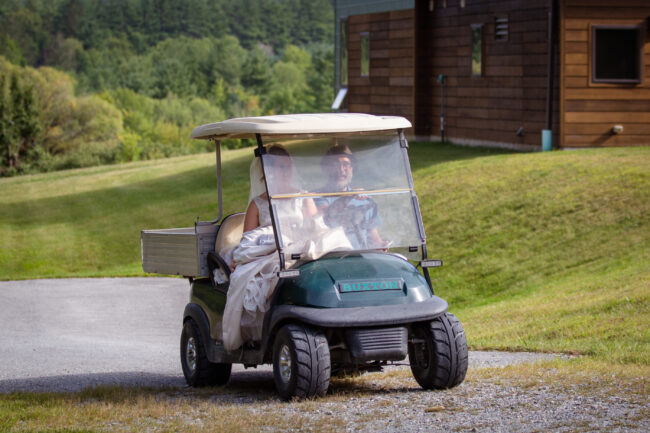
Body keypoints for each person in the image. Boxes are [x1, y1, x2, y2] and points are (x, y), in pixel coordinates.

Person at [222, 145, 316, 352]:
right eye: (277, 168)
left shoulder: (304, 198)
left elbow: (315, 229)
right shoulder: (257, 205)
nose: (282, 172)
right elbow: (248, 241)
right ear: (266, 172)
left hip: (299, 249)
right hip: (267, 254)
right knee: (262, 279)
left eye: (286, 167)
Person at [314, 144, 386, 249]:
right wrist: (349, 197)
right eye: (335, 165)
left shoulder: (364, 199)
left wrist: (381, 245)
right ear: (326, 169)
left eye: (346, 164)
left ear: (352, 168)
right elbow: (328, 216)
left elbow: (373, 236)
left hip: (363, 257)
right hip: (332, 258)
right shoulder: (316, 196)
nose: (341, 170)